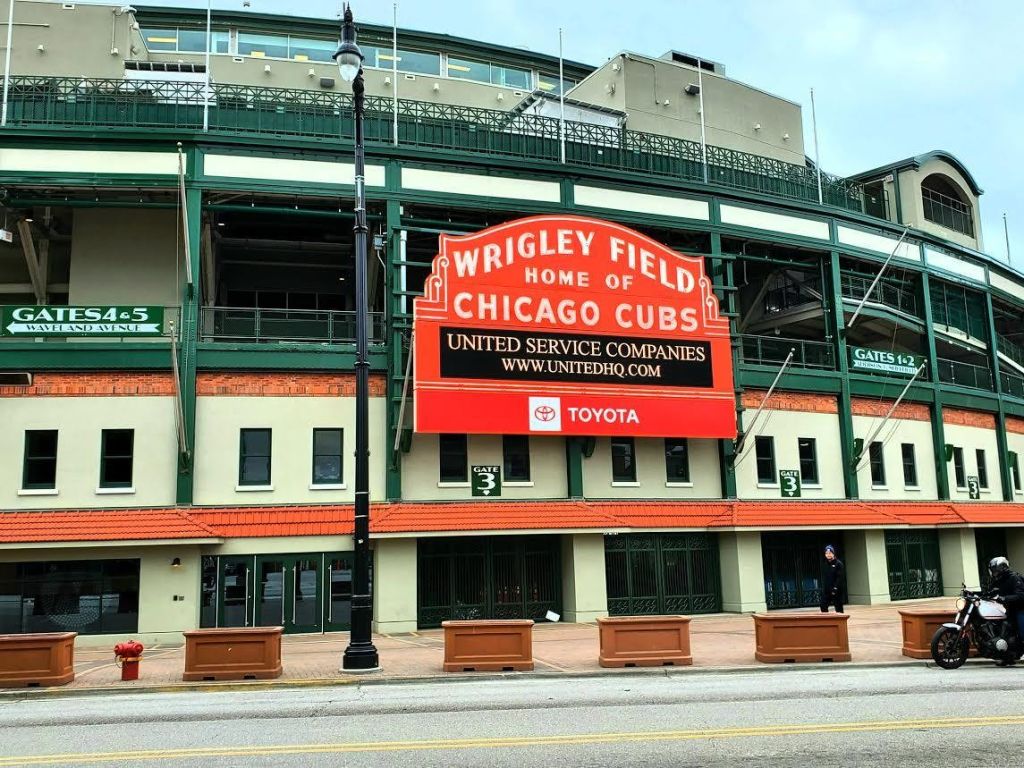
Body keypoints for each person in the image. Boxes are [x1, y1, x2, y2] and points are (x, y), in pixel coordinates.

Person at [987, 556, 1024, 643]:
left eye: (995, 569)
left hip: (1019, 608)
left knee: (1022, 630)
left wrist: (1004, 598)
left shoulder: (1014, 578)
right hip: (1005, 609)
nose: (994, 572)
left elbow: (1021, 595)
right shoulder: (996, 581)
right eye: (993, 570)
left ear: (1003, 567)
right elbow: (989, 592)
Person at [820, 545, 845, 614]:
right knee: (823, 605)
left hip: (836, 590)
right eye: (826, 553)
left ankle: (840, 623)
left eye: (830, 553)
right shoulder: (825, 564)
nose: (828, 555)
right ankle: (827, 621)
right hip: (827, 590)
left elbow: (840, 578)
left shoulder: (838, 564)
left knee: (839, 608)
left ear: (833, 554)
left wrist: (835, 588)